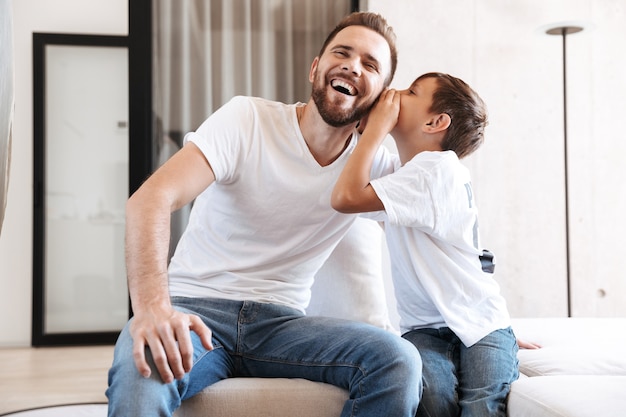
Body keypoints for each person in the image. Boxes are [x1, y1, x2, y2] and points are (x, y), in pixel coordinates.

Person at [106, 12, 422, 417]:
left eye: (370, 65)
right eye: (342, 53)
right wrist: (152, 308)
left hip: (283, 325)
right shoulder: (247, 120)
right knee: (143, 368)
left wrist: (471, 322)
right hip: (197, 310)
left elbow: (434, 226)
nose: (352, 65)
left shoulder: (373, 166)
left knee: (399, 359)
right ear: (315, 68)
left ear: (382, 96)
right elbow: (150, 199)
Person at [331, 72, 519, 416]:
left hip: (482, 324)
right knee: (432, 404)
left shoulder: (436, 171)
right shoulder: (405, 174)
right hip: (426, 332)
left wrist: (376, 130)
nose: (397, 94)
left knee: (480, 408)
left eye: (412, 91)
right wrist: (364, 125)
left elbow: (346, 197)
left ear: (435, 122)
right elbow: (356, 170)